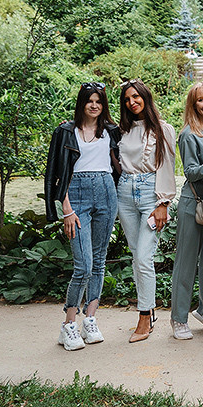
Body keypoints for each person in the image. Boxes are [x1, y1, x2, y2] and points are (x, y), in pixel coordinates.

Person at [46, 82, 121, 350]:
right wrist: (66, 208)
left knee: (99, 262)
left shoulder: (110, 131)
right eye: (89, 101)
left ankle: (90, 319)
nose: (94, 105)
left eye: (99, 101)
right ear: (82, 103)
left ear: (104, 105)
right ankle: (68, 324)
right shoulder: (66, 132)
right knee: (84, 265)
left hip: (106, 192)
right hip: (76, 194)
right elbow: (57, 172)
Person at [116, 79, 176, 343]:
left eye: (136, 97)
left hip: (151, 193)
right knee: (135, 255)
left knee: (143, 257)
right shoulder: (120, 130)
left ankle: (144, 315)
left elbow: (167, 166)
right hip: (125, 192)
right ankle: (148, 309)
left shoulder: (163, 129)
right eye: (127, 99)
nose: (132, 102)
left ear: (145, 97)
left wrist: (163, 203)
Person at [170, 82, 203, 340]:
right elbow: (190, 172)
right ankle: (179, 319)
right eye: (201, 100)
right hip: (193, 205)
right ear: (193, 104)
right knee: (186, 263)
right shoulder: (188, 134)